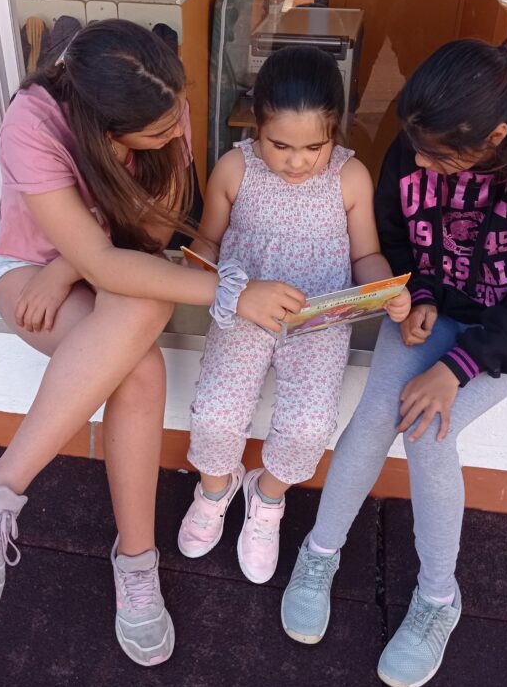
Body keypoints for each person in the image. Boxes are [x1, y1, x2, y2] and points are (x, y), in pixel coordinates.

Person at [0, 19, 305, 668]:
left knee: (143, 308)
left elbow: (154, 231)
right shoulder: (34, 123)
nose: (176, 131)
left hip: (89, 267)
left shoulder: (163, 102)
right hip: (29, 270)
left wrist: (75, 263)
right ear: (105, 132)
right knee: (141, 359)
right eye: (159, 132)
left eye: (174, 118)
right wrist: (235, 293)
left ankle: (0, 490)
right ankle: (126, 557)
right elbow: (114, 263)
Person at [280, 35, 507, 687]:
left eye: (439, 157)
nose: (420, 162)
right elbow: (395, 227)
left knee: (428, 433)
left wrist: (456, 367)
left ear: (495, 137)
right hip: (434, 310)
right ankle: (319, 554)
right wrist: (419, 293)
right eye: (416, 148)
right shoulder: (421, 137)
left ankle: (437, 600)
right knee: (376, 416)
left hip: (504, 333)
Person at [176, 45, 411, 584]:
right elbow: (208, 242)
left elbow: (365, 255)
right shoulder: (235, 168)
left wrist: (384, 290)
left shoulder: (350, 177)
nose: (297, 161)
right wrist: (198, 271)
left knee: (308, 426)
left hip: (318, 319)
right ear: (255, 125)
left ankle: (267, 498)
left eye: (314, 146)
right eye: (280, 145)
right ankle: (214, 489)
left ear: (336, 133)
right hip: (244, 311)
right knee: (215, 413)